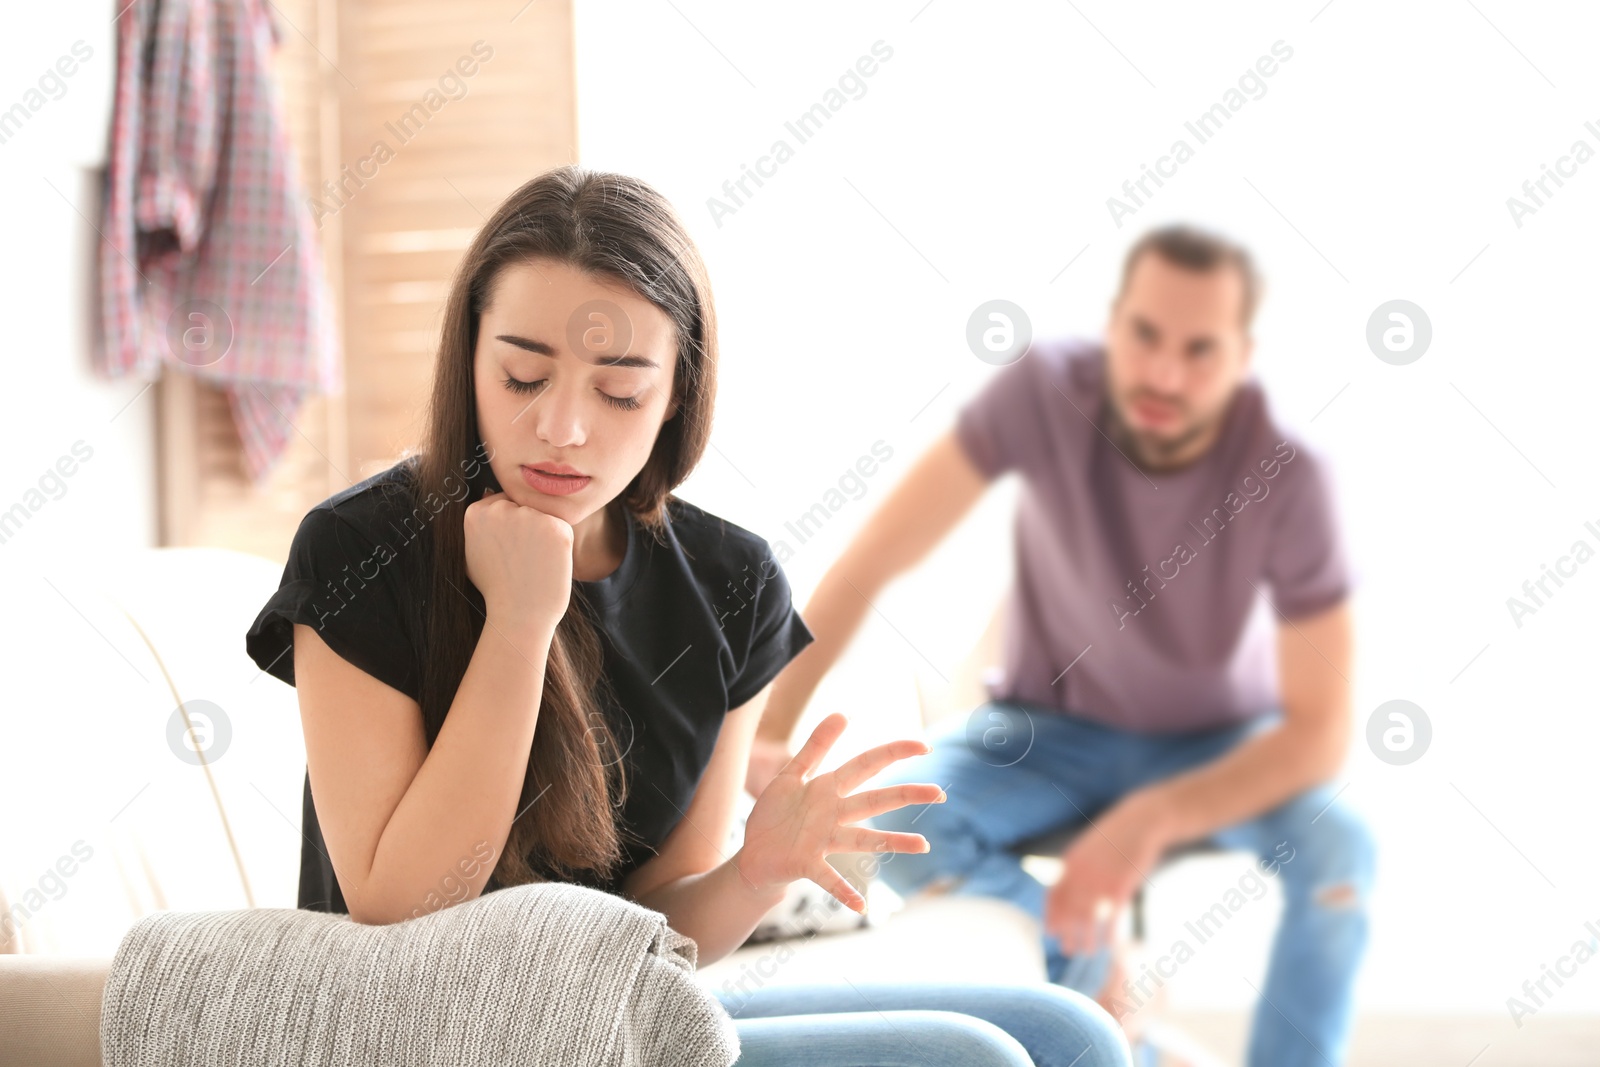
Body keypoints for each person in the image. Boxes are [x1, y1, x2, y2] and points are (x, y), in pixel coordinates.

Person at [243, 165, 1129, 1067]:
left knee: (1071, 1030)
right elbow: (403, 910)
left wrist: (754, 871)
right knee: (974, 1060)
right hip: (432, 1035)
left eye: (619, 391)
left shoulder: (730, 579)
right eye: (520, 376)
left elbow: (663, 924)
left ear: (675, 395)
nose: (561, 427)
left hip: (617, 1024)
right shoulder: (359, 549)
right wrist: (519, 620)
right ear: (468, 358)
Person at [745, 225, 1375, 1067]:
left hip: (1215, 744)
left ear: (1242, 357)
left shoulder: (1292, 472)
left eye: (1199, 350)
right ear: (1115, 322)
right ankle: (1121, 1019)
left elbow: (1321, 733)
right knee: (884, 810)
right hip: (1043, 730)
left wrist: (1142, 827)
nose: (1163, 374)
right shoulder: (1043, 392)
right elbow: (874, 560)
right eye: (1146, 335)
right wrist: (771, 726)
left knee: (1342, 849)